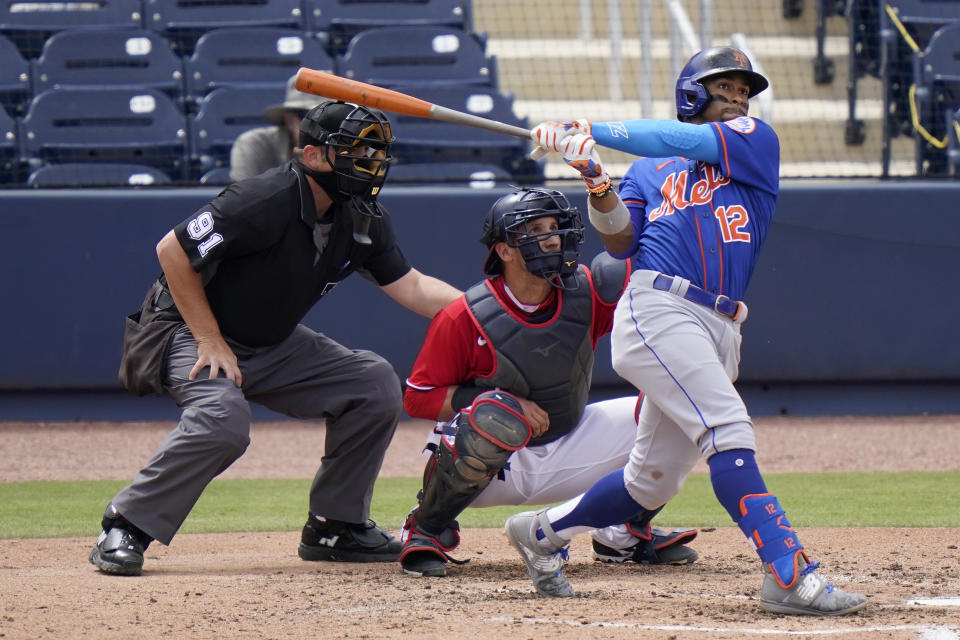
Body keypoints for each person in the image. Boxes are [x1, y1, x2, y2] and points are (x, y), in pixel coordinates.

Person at [504, 47, 869, 616]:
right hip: (658, 309)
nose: (738, 98)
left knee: (650, 482)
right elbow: (620, 240)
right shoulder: (648, 172)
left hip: (720, 324)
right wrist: (594, 175)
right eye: (725, 87)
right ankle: (788, 574)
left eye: (744, 90)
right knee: (727, 428)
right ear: (692, 93)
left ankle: (541, 533)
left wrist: (589, 128)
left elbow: (679, 141)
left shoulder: (752, 141)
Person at [90, 100, 462, 576]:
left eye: (374, 152)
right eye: (354, 150)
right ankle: (124, 525)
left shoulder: (362, 217)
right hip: (183, 330)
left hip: (269, 341)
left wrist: (485, 310)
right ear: (311, 155)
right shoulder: (262, 199)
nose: (369, 162)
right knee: (222, 420)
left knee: (371, 382)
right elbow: (172, 250)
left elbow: (412, 285)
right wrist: (209, 338)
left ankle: (336, 527)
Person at [397, 186, 698, 585]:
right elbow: (418, 398)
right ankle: (427, 528)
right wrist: (501, 401)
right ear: (504, 250)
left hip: (569, 439)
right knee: (494, 416)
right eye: (535, 228)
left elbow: (634, 270)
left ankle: (621, 533)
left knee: (682, 407)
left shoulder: (586, 290)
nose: (552, 237)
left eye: (554, 227)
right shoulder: (463, 315)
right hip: (489, 465)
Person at [229, 75, 317, 182]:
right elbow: (245, 198)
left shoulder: (342, 152)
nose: (320, 125)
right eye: (310, 116)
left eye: (331, 116)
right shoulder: (255, 145)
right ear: (289, 121)